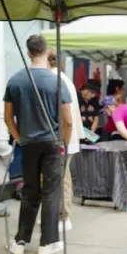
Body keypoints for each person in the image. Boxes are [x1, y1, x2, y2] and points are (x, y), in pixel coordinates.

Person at [3, 34, 73, 254]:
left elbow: (7, 117)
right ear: (46, 51)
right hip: (52, 142)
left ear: (29, 52)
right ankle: (48, 241)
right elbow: (68, 120)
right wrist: (65, 142)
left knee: (30, 190)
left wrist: (19, 136)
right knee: (52, 191)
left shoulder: (15, 80)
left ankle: (20, 241)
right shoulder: (57, 81)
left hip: (29, 143)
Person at [46, 48, 85, 233]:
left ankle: (64, 215)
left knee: (61, 178)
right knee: (60, 177)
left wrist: (63, 140)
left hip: (63, 138)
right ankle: (58, 214)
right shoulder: (61, 78)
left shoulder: (55, 80)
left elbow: (66, 118)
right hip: (66, 137)